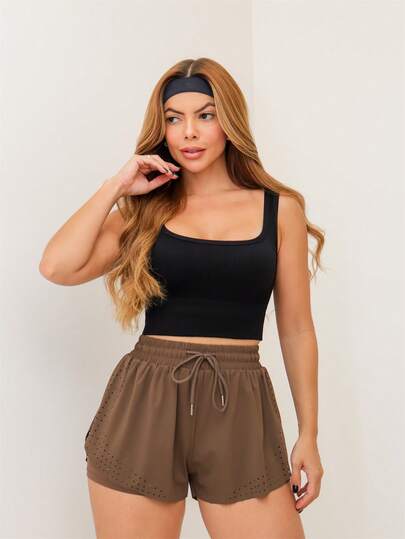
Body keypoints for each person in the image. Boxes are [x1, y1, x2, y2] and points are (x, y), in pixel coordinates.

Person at [39, 57, 325, 539]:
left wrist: (309, 435)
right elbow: (56, 266)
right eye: (174, 119)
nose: (188, 131)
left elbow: (297, 329)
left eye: (205, 115)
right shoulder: (145, 211)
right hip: (145, 400)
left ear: (230, 121)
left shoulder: (280, 210)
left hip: (240, 403)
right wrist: (116, 187)